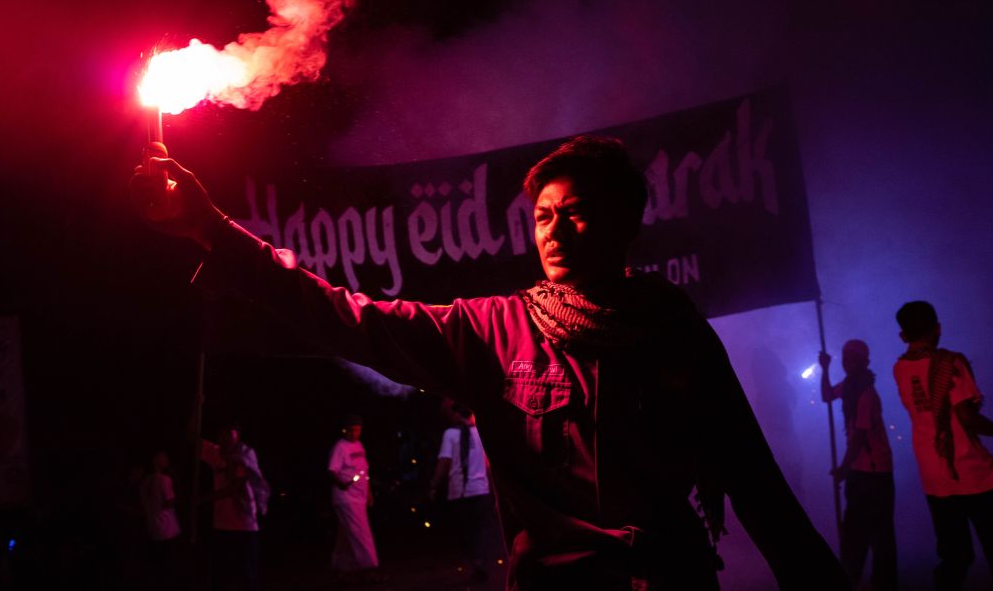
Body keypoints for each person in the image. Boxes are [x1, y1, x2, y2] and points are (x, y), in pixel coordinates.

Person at [131, 135, 848, 590]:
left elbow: (755, 483)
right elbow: (343, 316)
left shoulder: (675, 333)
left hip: (674, 579)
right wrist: (208, 228)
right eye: (543, 215)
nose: (556, 230)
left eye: (576, 212)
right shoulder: (492, 329)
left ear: (626, 223)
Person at [891, 301, 993, 591]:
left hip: (933, 472)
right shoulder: (952, 363)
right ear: (938, 328)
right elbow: (968, 417)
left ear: (903, 336)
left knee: (955, 554)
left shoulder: (900, 368)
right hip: (969, 469)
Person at [819, 340, 897, 591]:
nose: (846, 362)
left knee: (879, 531)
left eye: (851, 358)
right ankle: (851, 577)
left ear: (863, 362)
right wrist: (825, 368)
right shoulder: (851, 386)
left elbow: (860, 438)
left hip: (875, 473)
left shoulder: (865, 393)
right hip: (860, 470)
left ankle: (882, 583)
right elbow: (827, 395)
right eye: (844, 357)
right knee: (854, 529)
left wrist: (843, 468)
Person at [431, 400, 499, 584]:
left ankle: (478, 563)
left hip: (461, 491)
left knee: (468, 530)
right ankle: (479, 562)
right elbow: (489, 464)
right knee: (480, 528)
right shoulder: (478, 433)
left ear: (457, 415)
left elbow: (444, 462)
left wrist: (434, 485)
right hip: (479, 490)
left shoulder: (451, 434)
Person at [199, 420, 267, 591]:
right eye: (223, 435)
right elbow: (191, 437)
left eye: (230, 435)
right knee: (221, 573)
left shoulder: (244, 453)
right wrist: (196, 405)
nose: (226, 439)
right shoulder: (215, 453)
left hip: (244, 523)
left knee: (248, 574)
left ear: (237, 437)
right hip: (221, 524)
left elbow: (236, 486)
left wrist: (204, 499)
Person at [327, 413, 379, 576]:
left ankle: (340, 566)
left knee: (346, 533)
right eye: (351, 430)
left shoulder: (359, 446)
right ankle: (369, 567)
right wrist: (341, 484)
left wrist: (369, 492)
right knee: (360, 531)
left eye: (357, 430)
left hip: (359, 497)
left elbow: (364, 471)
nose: (354, 434)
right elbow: (332, 470)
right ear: (344, 430)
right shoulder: (340, 447)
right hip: (347, 498)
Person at [140, 449, 184, 589]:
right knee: (171, 568)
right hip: (169, 529)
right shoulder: (165, 480)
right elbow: (169, 502)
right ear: (155, 460)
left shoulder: (145, 481)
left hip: (154, 529)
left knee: (158, 567)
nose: (166, 458)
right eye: (162, 456)